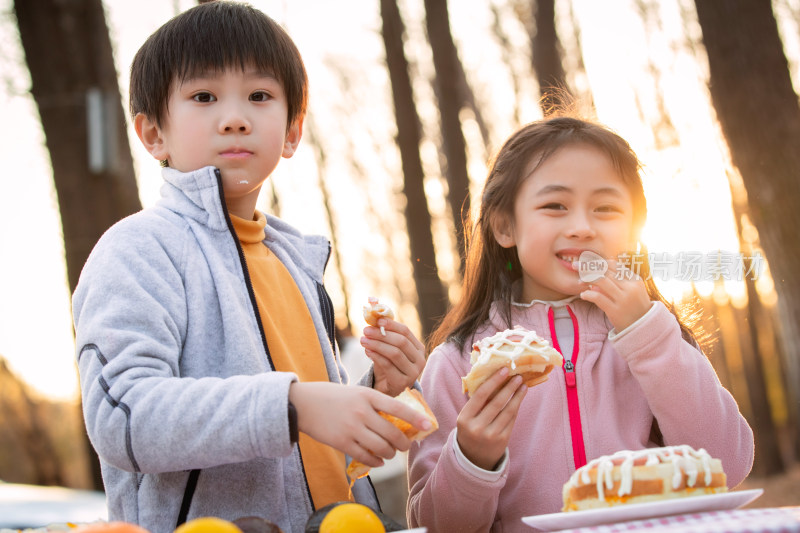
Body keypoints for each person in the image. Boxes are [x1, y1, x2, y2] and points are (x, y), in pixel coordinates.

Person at [72, 3, 429, 531]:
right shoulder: (138, 249)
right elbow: (123, 413)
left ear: (291, 132)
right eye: (203, 97)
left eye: (259, 96)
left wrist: (375, 390)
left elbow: (303, 430)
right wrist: (293, 405)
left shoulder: (294, 259)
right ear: (153, 135)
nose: (234, 116)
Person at [406, 116, 754, 532]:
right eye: (555, 206)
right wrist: (472, 458)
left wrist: (647, 335)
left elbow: (728, 466)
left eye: (606, 209)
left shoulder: (655, 334)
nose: (583, 228)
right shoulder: (459, 362)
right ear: (504, 225)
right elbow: (434, 525)